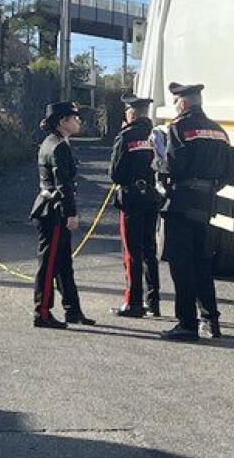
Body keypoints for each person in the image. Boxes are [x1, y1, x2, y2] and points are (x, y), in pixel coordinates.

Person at [159, 83, 232, 342]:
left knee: (181, 265)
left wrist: (163, 175)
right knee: (202, 264)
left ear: (183, 103)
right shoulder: (219, 131)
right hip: (206, 203)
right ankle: (210, 321)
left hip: (182, 202)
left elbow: (173, 166)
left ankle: (186, 324)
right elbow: (227, 173)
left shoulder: (179, 128)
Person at [31, 101, 96, 329]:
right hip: (53, 211)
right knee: (49, 264)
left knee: (64, 263)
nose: (78, 121)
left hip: (54, 208)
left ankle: (72, 310)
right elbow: (63, 185)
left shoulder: (58, 142)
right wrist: (71, 213)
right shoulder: (57, 146)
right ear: (62, 121)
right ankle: (42, 312)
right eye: (74, 117)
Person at [109, 94, 162, 318]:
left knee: (132, 252)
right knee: (150, 250)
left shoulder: (126, 136)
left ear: (130, 114)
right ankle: (153, 301)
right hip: (152, 195)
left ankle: (133, 303)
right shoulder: (157, 136)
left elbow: (115, 173)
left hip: (131, 198)